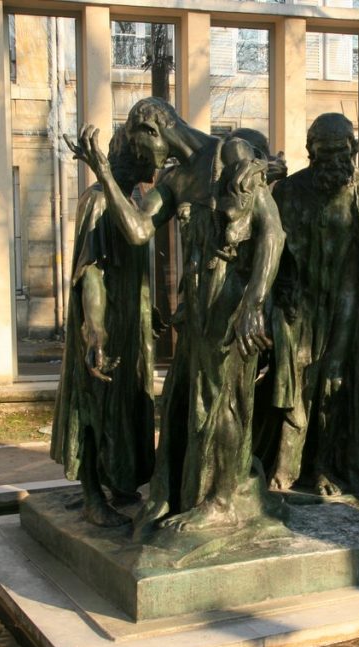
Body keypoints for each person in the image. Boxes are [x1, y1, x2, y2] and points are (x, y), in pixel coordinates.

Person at [65, 98, 285, 534]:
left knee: (222, 405)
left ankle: (222, 500)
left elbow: (272, 232)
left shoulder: (231, 154)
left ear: (154, 127)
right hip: (199, 310)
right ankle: (179, 495)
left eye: (140, 146)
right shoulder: (172, 179)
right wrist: (103, 174)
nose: (142, 159)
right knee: (187, 403)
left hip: (232, 304)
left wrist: (254, 304)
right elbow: (137, 230)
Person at [267, 113, 359, 496]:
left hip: (347, 304)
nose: (335, 162)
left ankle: (326, 467)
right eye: (325, 155)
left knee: (333, 385)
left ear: (353, 149)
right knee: (295, 388)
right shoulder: (287, 192)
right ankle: (285, 467)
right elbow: (272, 253)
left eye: (342, 153)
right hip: (299, 305)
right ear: (310, 152)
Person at [50, 127, 156, 527]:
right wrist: (95, 328)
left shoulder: (136, 199)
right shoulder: (97, 201)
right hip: (105, 321)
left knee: (123, 406)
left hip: (132, 319)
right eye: (151, 155)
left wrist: (150, 309)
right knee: (93, 405)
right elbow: (90, 271)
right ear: (134, 156)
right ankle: (93, 496)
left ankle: (119, 484)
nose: (158, 162)